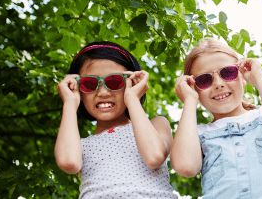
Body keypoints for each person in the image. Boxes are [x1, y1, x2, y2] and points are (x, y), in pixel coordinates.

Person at [170, 39, 262, 198]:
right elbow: (186, 166)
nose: (218, 84)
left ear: (243, 77)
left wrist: (258, 76)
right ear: (194, 87)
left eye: (228, 72)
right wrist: (189, 100)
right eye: (204, 80)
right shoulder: (198, 134)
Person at [54, 41, 176, 198]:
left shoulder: (157, 124)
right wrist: (70, 103)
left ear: (132, 82)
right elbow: (68, 162)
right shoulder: (79, 145)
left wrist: (132, 97)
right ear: (79, 90)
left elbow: (154, 157)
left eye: (115, 81)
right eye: (89, 84)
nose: (103, 92)